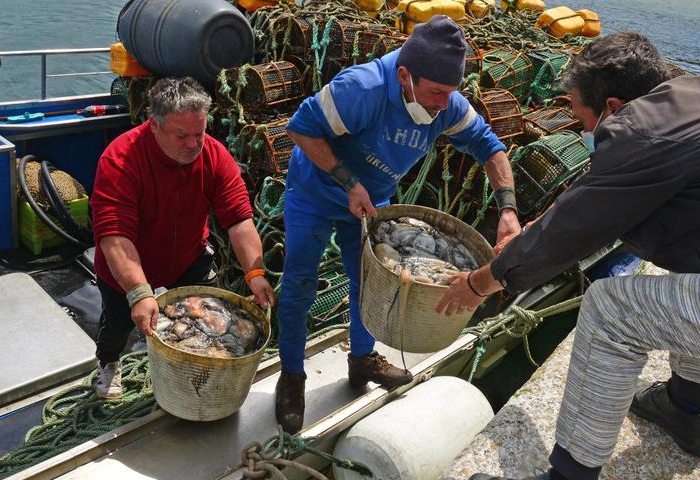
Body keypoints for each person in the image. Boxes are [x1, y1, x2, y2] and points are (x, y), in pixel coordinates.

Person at [437, 32, 700, 480]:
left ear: (613, 106)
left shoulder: (640, 129)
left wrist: (480, 283)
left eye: (579, 114)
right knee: (696, 257)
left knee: (611, 310)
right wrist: (544, 222)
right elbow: (604, 191)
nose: (579, 127)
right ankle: (683, 407)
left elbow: (575, 229)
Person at [276, 15, 522, 434]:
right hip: (315, 194)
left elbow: (491, 149)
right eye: (436, 93)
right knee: (299, 284)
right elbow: (301, 130)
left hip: (374, 204)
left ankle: (361, 361)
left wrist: (509, 210)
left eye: (451, 95)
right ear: (404, 76)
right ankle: (293, 376)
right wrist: (348, 182)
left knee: (373, 284)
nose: (444, 104)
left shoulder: (447, 105)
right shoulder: (362, 89)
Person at [89, 77, 275, 399]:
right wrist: (138, 292)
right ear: (154, 125)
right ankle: (107, 363)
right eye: (182, 135)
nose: (193, 145)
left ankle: (199, 369)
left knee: (211, 318)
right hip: (128, 264)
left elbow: (239, 220)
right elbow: (114, 235)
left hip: (187, 255)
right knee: (117, 323)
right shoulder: (120, 160)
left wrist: (255, 273)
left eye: (199, 134)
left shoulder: (214, 156)